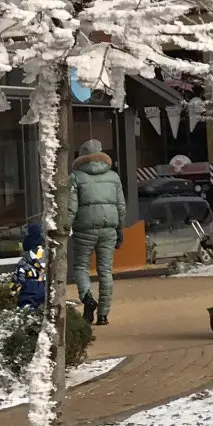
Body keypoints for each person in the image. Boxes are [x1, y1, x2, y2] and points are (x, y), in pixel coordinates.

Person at [69, 138, 126, 326]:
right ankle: (103, 315)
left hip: (84, 230)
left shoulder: (76, 177)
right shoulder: (114, 177)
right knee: (105, 271)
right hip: (109, 229)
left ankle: (87, 298)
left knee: (80, 267)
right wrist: (120, 231)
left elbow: (71, 208)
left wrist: (65, 228)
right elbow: (121, 207)